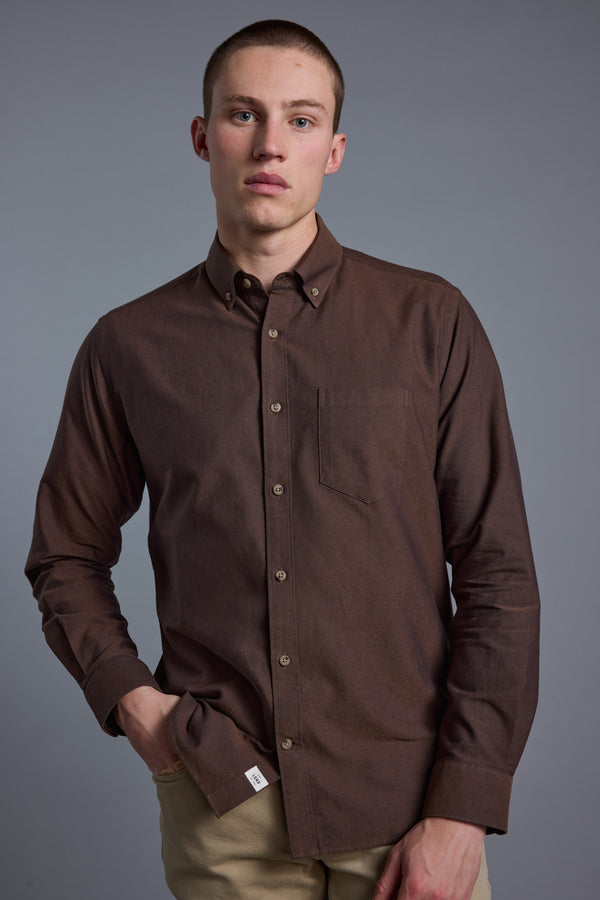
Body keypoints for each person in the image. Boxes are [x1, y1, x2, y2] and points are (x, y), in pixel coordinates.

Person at [25, 19, 540, 900]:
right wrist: (137, 705)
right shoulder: (127, 346)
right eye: (242, 115)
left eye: (301, 120)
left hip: (411, 807)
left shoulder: (432, 323)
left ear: (334, 149)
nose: (271, 144)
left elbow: (497, 575)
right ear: (202, 137)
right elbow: (65, 555)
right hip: (225, 811)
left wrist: (463, 811)